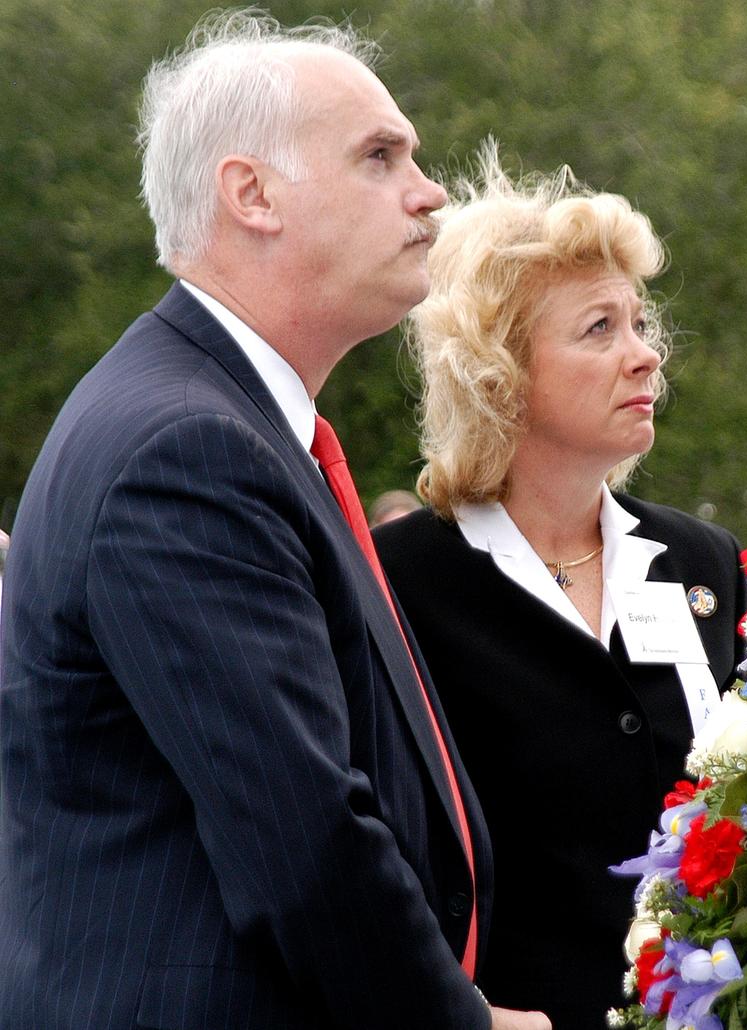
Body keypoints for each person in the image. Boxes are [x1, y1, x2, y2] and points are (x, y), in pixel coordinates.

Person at [0, 13, 547, 1030]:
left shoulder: (217, 423)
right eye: (380, 158)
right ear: (250, 195)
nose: (429, 194)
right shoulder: (184, 451)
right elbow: (300, 833)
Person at [374, 148, 747, 1026]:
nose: (646, 357)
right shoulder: (399, 587)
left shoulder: (705, 563)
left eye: (639, 322)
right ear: (499, 374)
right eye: (599, 329)